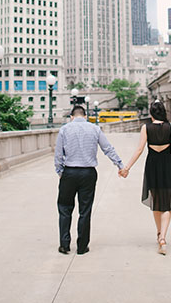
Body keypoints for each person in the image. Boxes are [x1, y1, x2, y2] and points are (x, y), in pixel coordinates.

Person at [54, 105, 124, 255]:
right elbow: (108, 148)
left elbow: (58, 155)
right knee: (85, 210)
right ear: (85, 116)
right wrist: (119, 164)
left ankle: (64, 244)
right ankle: (82, 246)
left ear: (71, 117)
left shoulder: (64, 130)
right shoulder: (95, 129)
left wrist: (60, 172)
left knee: (65, 208)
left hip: (70, 172)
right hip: (88, 173)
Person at [120, 100, 171, 255]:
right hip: (168, 166)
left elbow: (139, 150)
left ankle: (159, 234)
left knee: (156, 201)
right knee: (167, 203)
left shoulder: (146, 128)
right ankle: (162, 237)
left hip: (152, 166)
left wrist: (126, 168)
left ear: (151, 114)